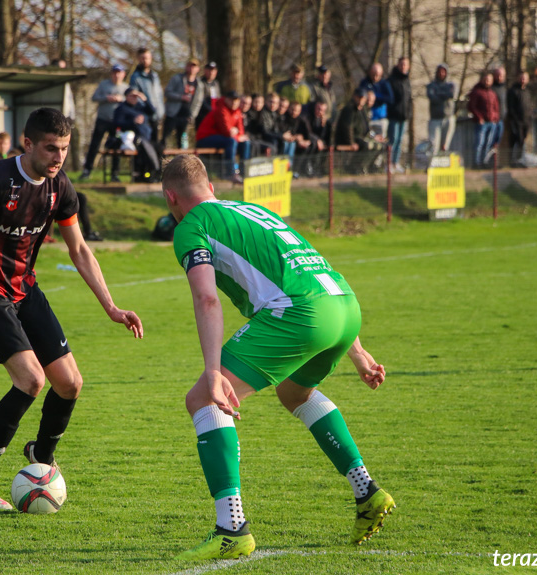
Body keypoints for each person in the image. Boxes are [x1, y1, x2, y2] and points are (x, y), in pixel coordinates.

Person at [160, 154, 394, 561]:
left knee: (203, 398)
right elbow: (310, 269)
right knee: (294, 392)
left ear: (170, 198)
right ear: (211, 187)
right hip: (343, 305)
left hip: (301, 313)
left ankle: (231, 528)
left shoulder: (191, 226)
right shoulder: (254, 209)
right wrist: (357, 351)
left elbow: (206, 297)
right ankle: (367, 491)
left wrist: (214, 372)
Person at [0, 108, 143, 510]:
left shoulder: (61, 187)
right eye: (51, 148)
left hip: (23, 288)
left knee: (69, 383)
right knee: (32, 380)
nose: (59, 157)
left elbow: (80, 249)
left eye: (65, 149)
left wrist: (111, 307)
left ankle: (42, 457)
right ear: (28, 143)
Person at [80, 64, 128, 182]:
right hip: (102, 120)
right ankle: (87, 170)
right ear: (112, 74)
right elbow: (94, 97)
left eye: (119, 72)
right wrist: (107, 98)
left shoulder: (126, 88)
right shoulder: (104, 84)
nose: (117, 75)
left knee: (117, 145)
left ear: (123, 74)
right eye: (115, 72)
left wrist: (121, 99)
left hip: (117, 122)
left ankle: (114, 174)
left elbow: (131, 102)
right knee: (95, 144)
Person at [195, 90, 251, 183]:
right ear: (226, 100)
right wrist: (235, 133)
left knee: (245, 143)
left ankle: (243, 173)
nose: (234, 102)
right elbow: (227, 132)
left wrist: (236, 132)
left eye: (236, 100)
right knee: (231, 141)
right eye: (231, 100)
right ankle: (230, 173)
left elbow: (241, 132)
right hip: (205, 138)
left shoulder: (237, 112)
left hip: (223, 138)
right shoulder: (221, 110)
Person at [112, 88, 161, 182]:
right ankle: (143, 175)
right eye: (132, 96)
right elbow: (117, 123)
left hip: (147, 138)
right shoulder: (122, 108)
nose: (134, 98)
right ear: (126, 97)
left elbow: (153, 111)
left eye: (136, 96)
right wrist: (133, 122)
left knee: (160, 148)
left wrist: (145, 99)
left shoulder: (141, 107)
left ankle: (156, 174)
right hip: (132, 138)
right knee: (143, 150)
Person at [163, 58, 201, 148]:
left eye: (194, 66)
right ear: (186, 67)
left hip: (186, 116)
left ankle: (182, 160)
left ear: (198, 69)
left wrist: (192, 115)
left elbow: (198, 101)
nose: (192, 68)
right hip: (173, 113)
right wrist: (181, 97)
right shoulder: (177, 78)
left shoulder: (199, 84)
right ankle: (164, 159)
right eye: (190, 66)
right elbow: (167, 92)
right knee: (166, 137)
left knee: (183, 141)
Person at [129, 47, 165, 142]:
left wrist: (161, 110)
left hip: (157, 114)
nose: (145, 60)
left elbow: (159, 95)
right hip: (146, 116)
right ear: (139, 59)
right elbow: (135, 97)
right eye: (143, 58)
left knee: (157, 143)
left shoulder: (155, 76)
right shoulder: (136, 77)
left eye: (147, 58)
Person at [467, 71, 499, 168]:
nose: (487, 82)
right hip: (481, 123)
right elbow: (471, 106)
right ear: (482, 80)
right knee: (479, 143)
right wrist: (479, 117)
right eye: (485, 79)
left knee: (488, 144)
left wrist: (495, 118)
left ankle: (485, 162)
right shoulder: (477, 92)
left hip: (491, 123)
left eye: (489, 80)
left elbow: (496, 108)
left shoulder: (492, 93)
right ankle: (476, 163)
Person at [387, 57, 411, 173]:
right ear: (398, 65)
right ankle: (389, 163)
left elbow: (409, 99)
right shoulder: (392, 80)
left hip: (404, 116)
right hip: (394, 115)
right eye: (401, 64)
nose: (403, 67)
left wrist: (408, 112)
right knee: (393, 139)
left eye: (405, 65)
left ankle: (396, 163)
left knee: (400, 140)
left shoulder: (407, 81)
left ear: (408, 66)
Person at [426, 63, 457, 154]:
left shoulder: (451, 85)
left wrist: (439, 94)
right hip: (435, 118)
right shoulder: (431, 85)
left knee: (445, 146)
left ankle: (444, 165)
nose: (441, 74)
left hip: (448, 118)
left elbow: (451, 95)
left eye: (443, 72)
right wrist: (444, 95)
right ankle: (432, 165)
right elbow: (432, 98)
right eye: (440, 72)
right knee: (434, 144)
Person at [358, 63, 394, 139]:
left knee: (380, 139)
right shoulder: (365, 82)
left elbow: (390, 99)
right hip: (367, 117)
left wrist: (376, 97)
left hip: (380, 117)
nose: (375, 77)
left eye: (377, 75)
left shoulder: (384, 83)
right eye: (373, 74)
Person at [506, 71, 533, 165]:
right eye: (521, 78)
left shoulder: (527, 92)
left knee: (523, 141)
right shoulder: (513, 91)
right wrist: (515, 119)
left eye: (525, 78)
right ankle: (513, 160)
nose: (523, 80)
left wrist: (529, 119)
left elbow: (529, 107)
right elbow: (511, 107)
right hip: (517, 121)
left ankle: (520, 159)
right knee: (517, 139)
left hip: (526, 121)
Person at [193, 62, 221, 128]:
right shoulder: (200, 82)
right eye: (210, 70)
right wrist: (210, 109)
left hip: (214, 115)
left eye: (214, 71)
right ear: (205, 70)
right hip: (202, 114)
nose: (212, 73)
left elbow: (218, 98)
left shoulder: (216, 83)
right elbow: (200, 99)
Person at [489, 67, 507, 162]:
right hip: (492, 120)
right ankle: (489, 162)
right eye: (498, 75)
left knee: (497, 142)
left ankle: (496, 162)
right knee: (490, 142)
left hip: (501, 119)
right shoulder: (491, 88)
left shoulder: (504, 88)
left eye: (502, 75)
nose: (500, 77)